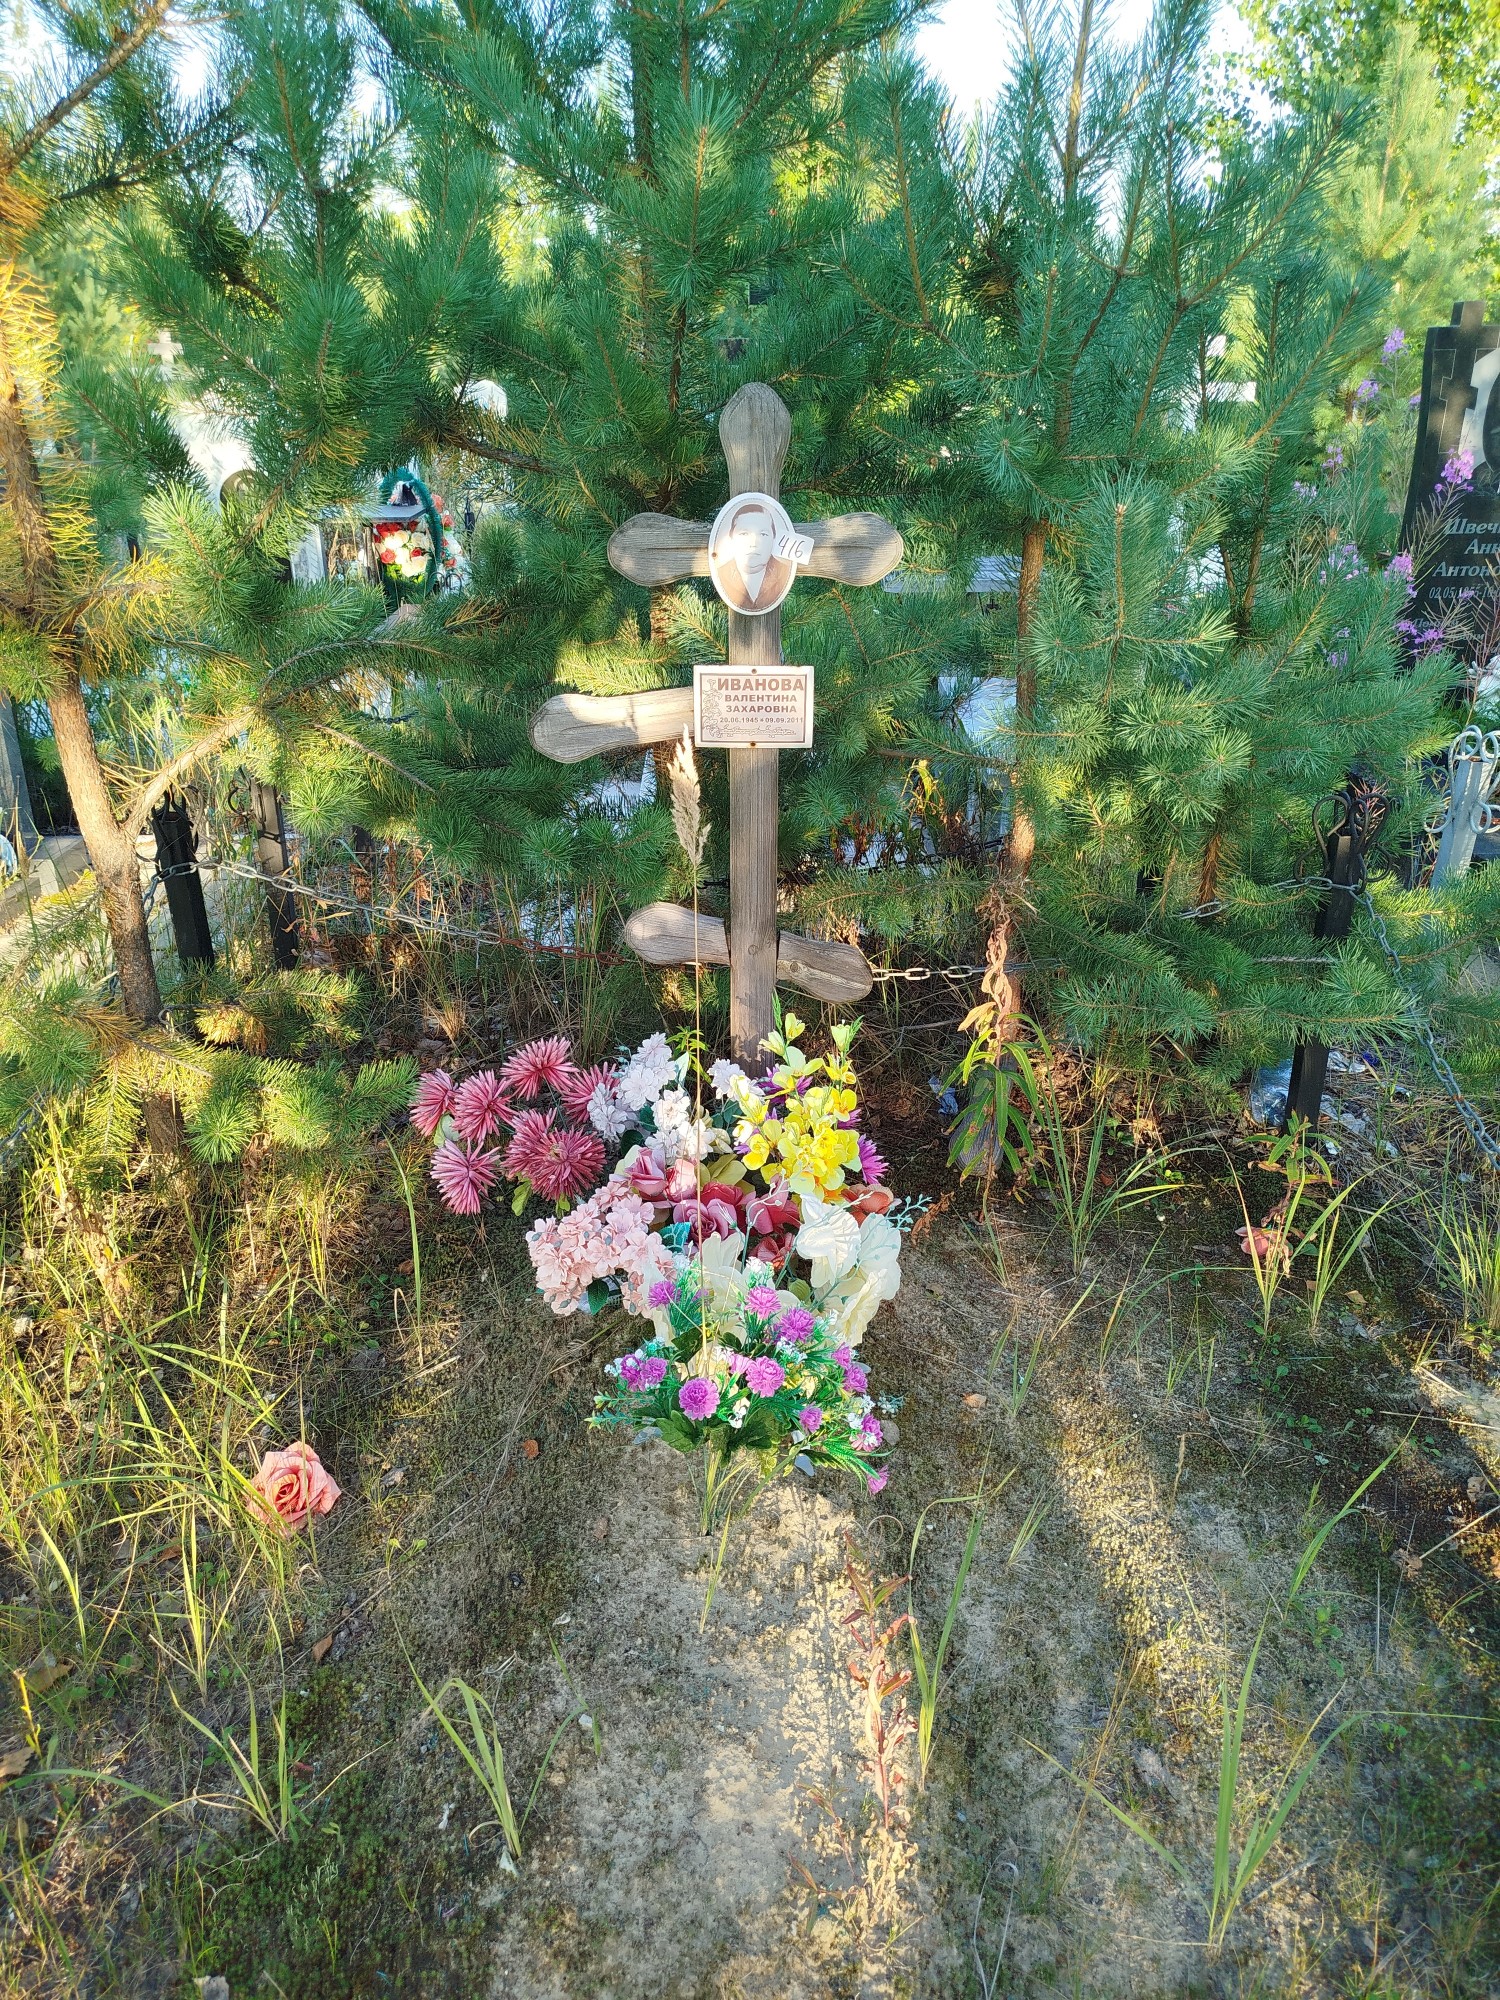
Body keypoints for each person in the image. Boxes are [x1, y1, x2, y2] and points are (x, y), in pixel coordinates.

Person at [709, 497, 797, 614]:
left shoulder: (784, 572)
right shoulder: (721, 574)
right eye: (744, 534)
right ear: (731, 537)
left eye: (763, 534)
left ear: (774, 537)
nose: (754, 543)